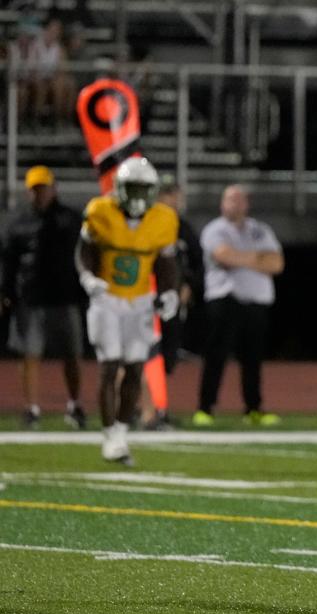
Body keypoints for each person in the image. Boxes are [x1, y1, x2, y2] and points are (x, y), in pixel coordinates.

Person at [77, 156, 179, 464]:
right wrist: (87, 277)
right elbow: (83, 251)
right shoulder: (100, 211)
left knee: (135, 366)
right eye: (132, 189)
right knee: (109, 366)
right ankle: (110, 434)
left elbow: (165, 262)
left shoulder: (163, 219)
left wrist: (169, 292)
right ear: (120, 188)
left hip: (139, 300)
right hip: (107, 298)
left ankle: (121, 431)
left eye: (143, 189)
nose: (137, 196)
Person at [0, 165, 86, 429]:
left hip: (64, 295)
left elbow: (86, 255)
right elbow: (8, 261)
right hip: (31, 297)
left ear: (53, 187)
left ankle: (74, 404)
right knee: (30, 354)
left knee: (72, 354)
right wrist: (5, 292)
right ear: (29, 192)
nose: (41, 193)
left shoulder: (71, 219)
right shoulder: (18, 222)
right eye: (36, 189)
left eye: (44, 188)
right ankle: (32, 408)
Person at [193, 185, 283, 427]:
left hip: (256, 302)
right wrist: (256, 258)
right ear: (223, 204)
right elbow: (224, 256)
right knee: (216, 356)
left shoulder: (259, 229)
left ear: (246, 203)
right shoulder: (215, 229)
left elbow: (276, 263)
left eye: (239, 200)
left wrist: (241, 257)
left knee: (252, 359)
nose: (234, 204)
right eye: (230, 199)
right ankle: (205, 408)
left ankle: (253, 409)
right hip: (225, 300)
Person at [140, 176, 204, 430]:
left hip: (170, 301)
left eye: (174, 194)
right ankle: (144, 409)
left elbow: (197, 263)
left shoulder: (183, 227)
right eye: (166, 194)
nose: (172, 199)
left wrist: (189, 286)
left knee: (166, 357)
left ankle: (158, 408)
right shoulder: (146, 222)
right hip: (144, 299)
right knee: (142, 357)